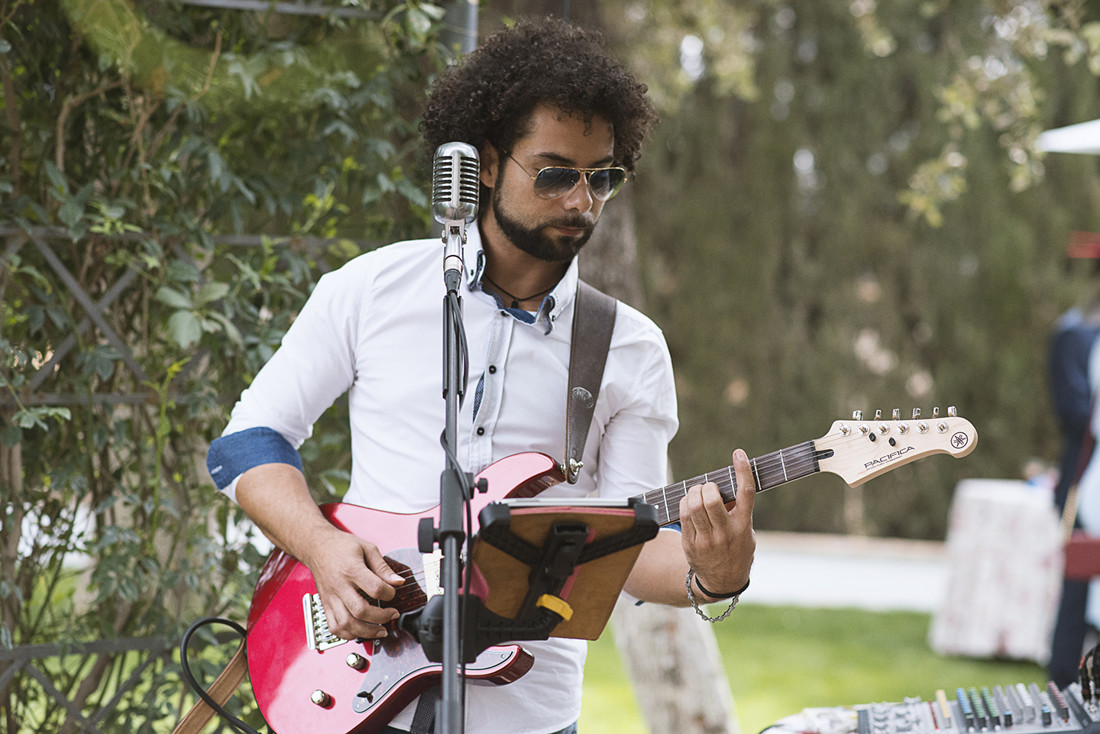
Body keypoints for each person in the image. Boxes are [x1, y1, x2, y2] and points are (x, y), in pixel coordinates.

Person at [206, 17, 757, 734]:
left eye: (602, 178)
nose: (581, 201)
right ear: (488, 163)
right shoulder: (373, 289)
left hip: (526, 712)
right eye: (556, 173)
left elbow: (627, 541)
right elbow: (247, 442)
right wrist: (324, 549)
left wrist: (714, 574)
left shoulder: (629, 348)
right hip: (357, 681)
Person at [1049, 239, 1100, 688]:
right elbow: (1075, 412)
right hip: (1087, 479)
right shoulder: (1076, 334)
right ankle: (1064, 680)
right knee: (1078, 584)